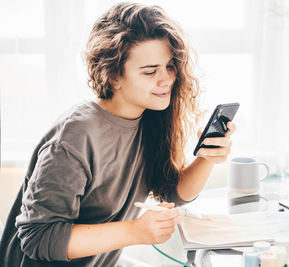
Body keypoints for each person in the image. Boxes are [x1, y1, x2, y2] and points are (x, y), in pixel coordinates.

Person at [0, 3, 235, 266]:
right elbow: (38, 237)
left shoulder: (150, 116)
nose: (167, 79)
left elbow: (172, 193)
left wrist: (207, 158)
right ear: (113, 76)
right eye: (150, 71)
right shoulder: (75, 137)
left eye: (169, 66)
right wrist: (134, 231)